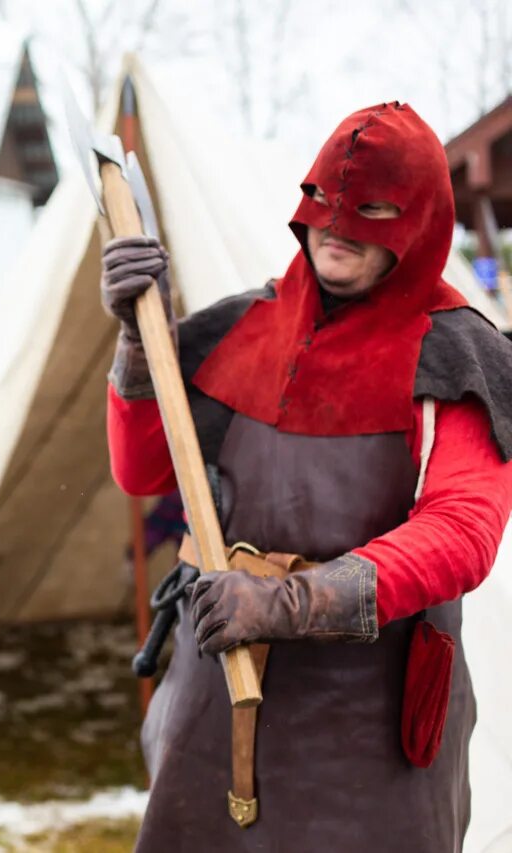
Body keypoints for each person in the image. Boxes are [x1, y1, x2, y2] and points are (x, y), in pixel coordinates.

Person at [103, 102, 512, 851]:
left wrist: (292, 600)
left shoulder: (457, 354)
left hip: (370, 714)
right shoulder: (237, 328)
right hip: (217, 680)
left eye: (374, 210)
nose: (338, 226)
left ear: (418, 221)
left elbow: (462, 535)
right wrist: (138, 346)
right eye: (323, 200)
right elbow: (142, 470)